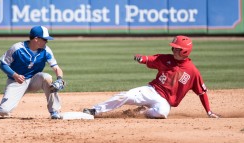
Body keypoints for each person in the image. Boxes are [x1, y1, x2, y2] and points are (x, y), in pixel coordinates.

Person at [83, 35, 219, 119]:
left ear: (185, 51)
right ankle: (94, 110)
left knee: (162, 113)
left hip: (165, 102)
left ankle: (142, 111)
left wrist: (209, 112)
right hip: (152, 90)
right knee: (125, 96)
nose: (173, 50)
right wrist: (142, 59)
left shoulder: (193, 72)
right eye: (173, 47)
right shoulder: (166, 59)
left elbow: (202, 92)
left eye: (176, 48)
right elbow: (151, 59)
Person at [0, 26, 65, 119]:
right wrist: (15, 75)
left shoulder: (46, 50)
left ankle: (54, 111)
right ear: (36, 39)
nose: (47, 41)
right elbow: (3, 64)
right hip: (16, 82)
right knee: (4, 110)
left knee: (47, 77)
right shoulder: (17, 48)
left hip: (34, 80)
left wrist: (59, 79)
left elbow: (57, 68)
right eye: (45, 39)